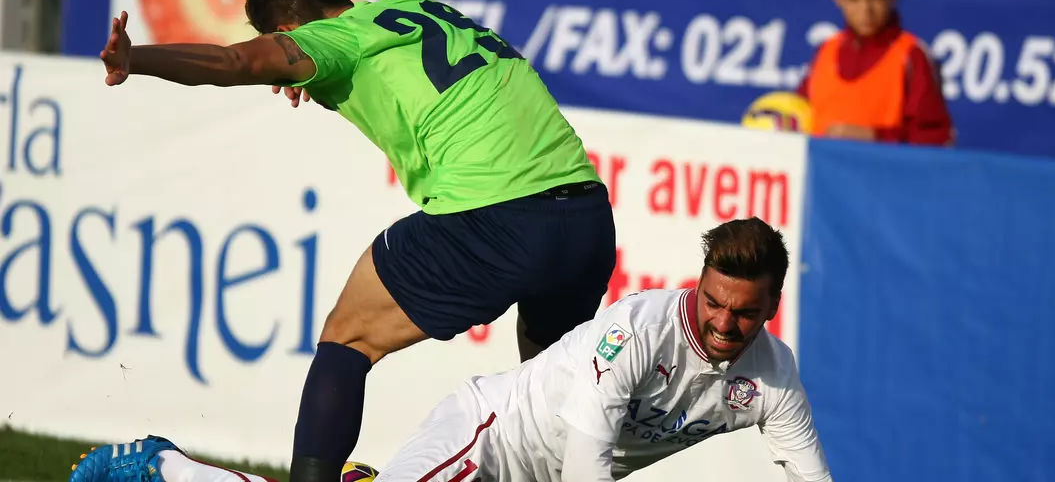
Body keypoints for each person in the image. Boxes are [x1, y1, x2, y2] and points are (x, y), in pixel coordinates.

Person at [97, 0, 617, 482]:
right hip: (587, 217)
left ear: (285, 32)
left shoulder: (335, 39)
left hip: (494, 213)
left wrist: (135, 59)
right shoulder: (411, 9)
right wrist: (306, 67)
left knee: (347, 338)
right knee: (549, 385)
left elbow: (236, 61)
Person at [70, 218, 833, 482]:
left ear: (771, 308)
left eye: (744, 313)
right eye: (713, 303)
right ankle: (164, 467)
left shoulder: (774, 379)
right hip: (488, 441)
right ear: (696, 285)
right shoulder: (638, 327)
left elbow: (809, 473)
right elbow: (587, 452)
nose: (724, 324)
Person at [797, 0, 955, 146]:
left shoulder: (910, 56)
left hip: (883, 177)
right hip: (822, 176)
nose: (865, 10)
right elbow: (797, 117)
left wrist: (874, 137)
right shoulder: (826, 51)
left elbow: (937, 138)